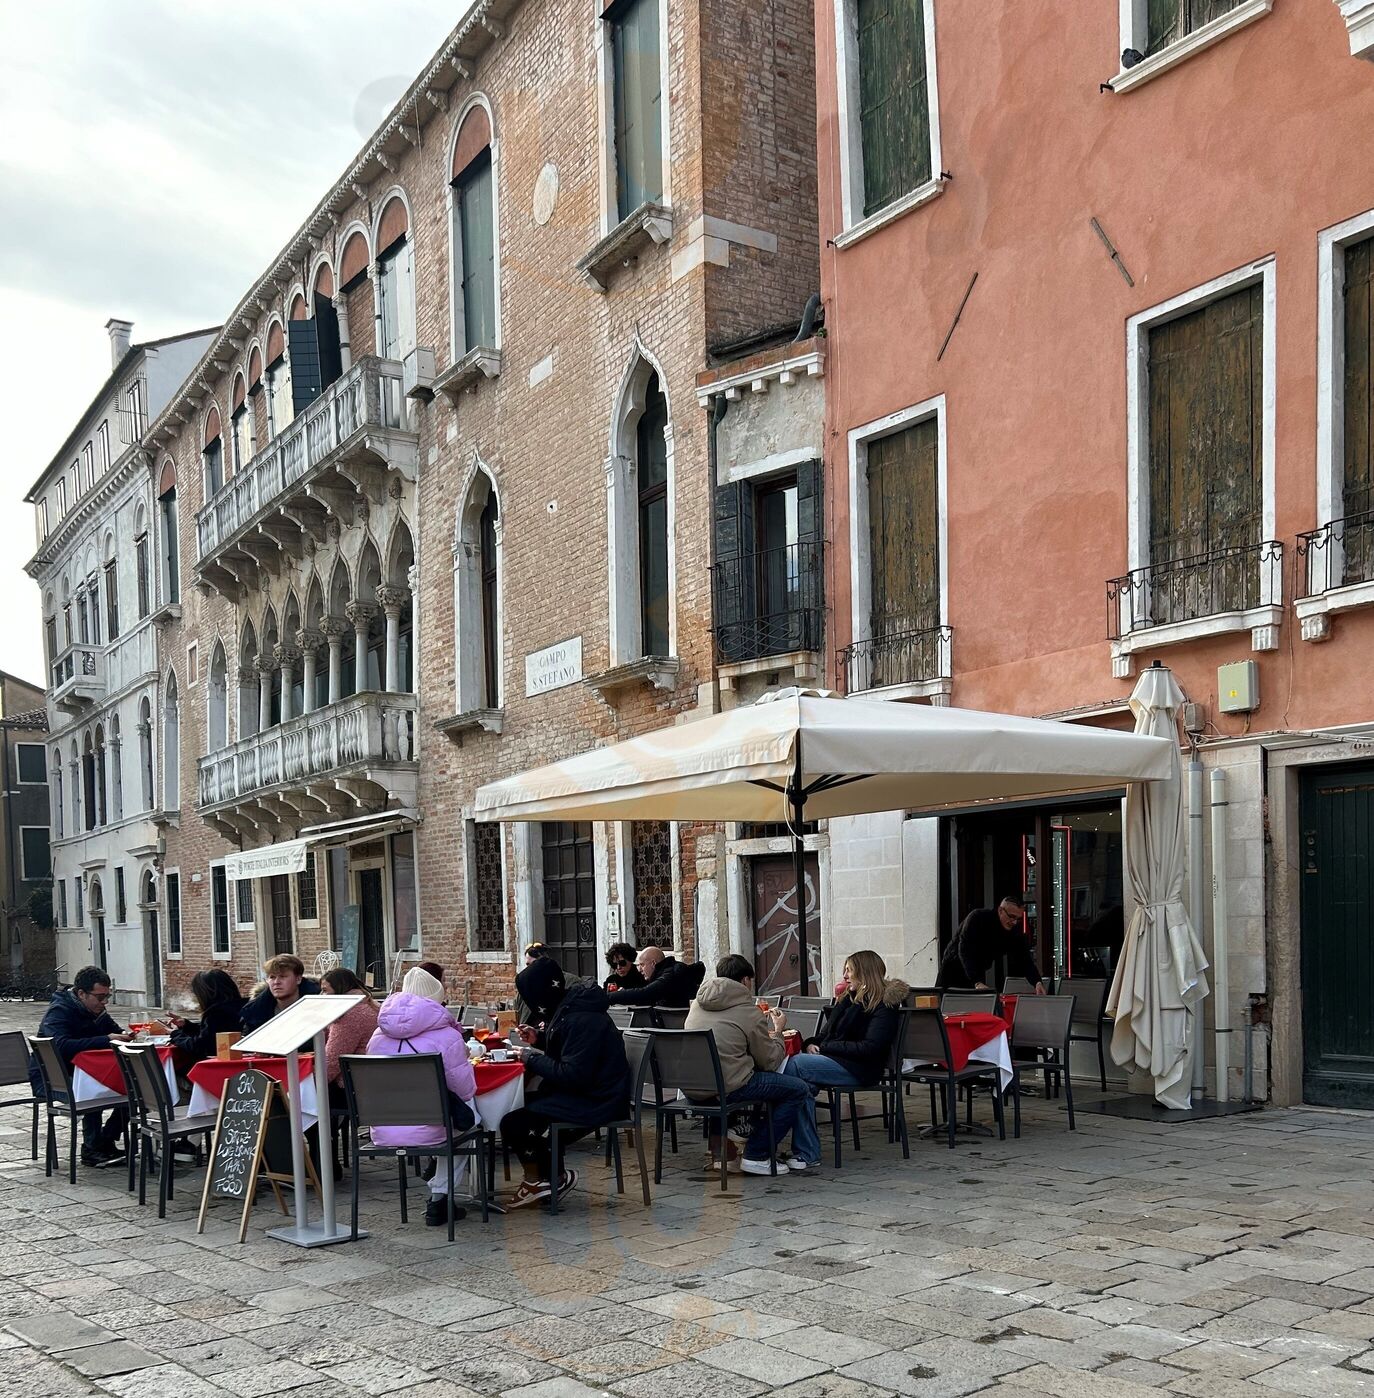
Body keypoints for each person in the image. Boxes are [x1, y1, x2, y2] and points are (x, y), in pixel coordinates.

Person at [500, 956, 630, 1208]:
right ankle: (551, 1178)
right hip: (590, 1090)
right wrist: (538, 1039)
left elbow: (573, 1072)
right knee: (521, 1107)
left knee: (514, 1121)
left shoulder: (581, 1018)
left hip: (598, 1098)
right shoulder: (570, 1007)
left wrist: (530, 1058)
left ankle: (542, 1180)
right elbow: (571, 1050)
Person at [684, 954, 819, 1174]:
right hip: (728, 1086)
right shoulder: (748, 1011)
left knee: (735, 1072)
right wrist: (777, 1031)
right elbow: (769, 1062)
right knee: (798, 1090)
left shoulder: (697, 1005)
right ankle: (757, 1154)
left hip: (693, 1086)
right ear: (746, 980)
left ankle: (723, 1155)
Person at [365, 965, 477, 1227]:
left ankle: (438, 1185)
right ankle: (440, 1196)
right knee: (469, 1120)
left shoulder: (377, 1037)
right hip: (432, 1129)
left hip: (383, 1128)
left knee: (454, 1120)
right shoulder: (446, 1036)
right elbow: (465, 1090)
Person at [784, 951, 907, 1163]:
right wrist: (812, 1043)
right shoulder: (848, 1000)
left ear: (864, 972)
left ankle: (763, 1137)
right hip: (835, 1060)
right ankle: (806, 1153)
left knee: (794, 1064)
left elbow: (871, 1048)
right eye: (845, 970)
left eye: (849, 970)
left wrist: (828, 1047)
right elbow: (825, 1034)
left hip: (860, 1069)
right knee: (801, 1087)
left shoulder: (883, 1006)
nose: (845, 975)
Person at [31, 965, 131, 1167]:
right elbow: (58, 1044)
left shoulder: (96, 1010)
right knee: (91, 1092)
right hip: (51, 1078)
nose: (104, 1003)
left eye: (107, 997)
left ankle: (106, 1140)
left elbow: (113, 1031)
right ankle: (91, 1149)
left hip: (84, 1073)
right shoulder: (60, 1010)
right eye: (100, 997)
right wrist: (105, 1039)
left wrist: (126, 1037)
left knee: (136, 1091)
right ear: (81, 994)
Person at [937, 895, 1047, 993]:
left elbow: (1024, 959)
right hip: (953, 967)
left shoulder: (1014, 932)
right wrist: (976, 982)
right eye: (1011, 916)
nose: (1014, 922)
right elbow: (965, 950)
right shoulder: (978, 918)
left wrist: (1037, 982)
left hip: (977, 970)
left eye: (1018, 919)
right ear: (1000, 910)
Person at [166, 969, 246, 1065]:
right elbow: (212, 1034)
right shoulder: (242, 1006)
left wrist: (176, 1034)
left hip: (217, 1063)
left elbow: (199, 1046)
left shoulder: (216, 1013)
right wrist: (187, 1025)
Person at [320, 968, 380, 1094]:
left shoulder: (349, 1014)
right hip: (369, 1080)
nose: (321, 996)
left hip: (351, 1086)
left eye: (325, 990)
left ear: (339, 989)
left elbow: (332, 1061)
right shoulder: (369, 1005)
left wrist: (311, 1083)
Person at [605, 945, 705, 1011]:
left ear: (653, 963)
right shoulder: (667, 972)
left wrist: (610, 997)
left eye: (642, 965)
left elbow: (646, 994)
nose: (640, 969)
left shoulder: (670, 975)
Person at [240, 954, 321, 1031]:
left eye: (283, 976)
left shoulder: (319, 1004)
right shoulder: (255, 1011)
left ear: (298, 979)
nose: (276, 982)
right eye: (272, 977)